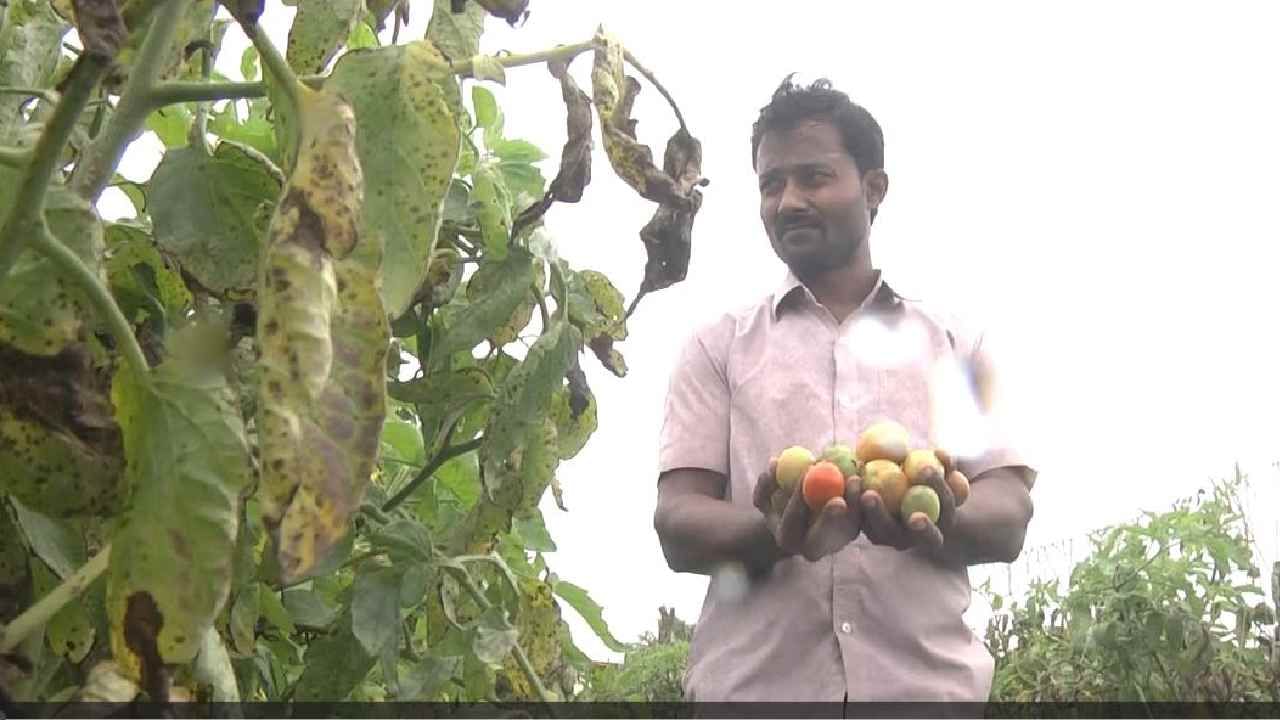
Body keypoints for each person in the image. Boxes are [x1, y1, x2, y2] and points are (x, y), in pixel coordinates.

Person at [652, 75, 1037, 705]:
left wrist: (932, 517)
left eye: (814, 177)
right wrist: (775, 530)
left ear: (875, 188)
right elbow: (677, 520)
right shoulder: (715, 346)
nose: (788, 201)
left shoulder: (955, 343)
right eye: (771, 184)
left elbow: (1010, 513)